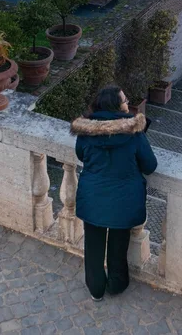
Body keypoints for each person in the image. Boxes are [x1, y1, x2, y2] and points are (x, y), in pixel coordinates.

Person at [71, 87, 157, 302]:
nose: (128, 104)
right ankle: (117, 284)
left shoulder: (85, 131)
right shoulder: (134, 134)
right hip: (123, 199)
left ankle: (95, 288)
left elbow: (81, 154)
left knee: (93, 244)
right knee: (118, 244)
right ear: (117, 106)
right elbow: (150, 166)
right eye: (125, 100)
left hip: (92, 196)